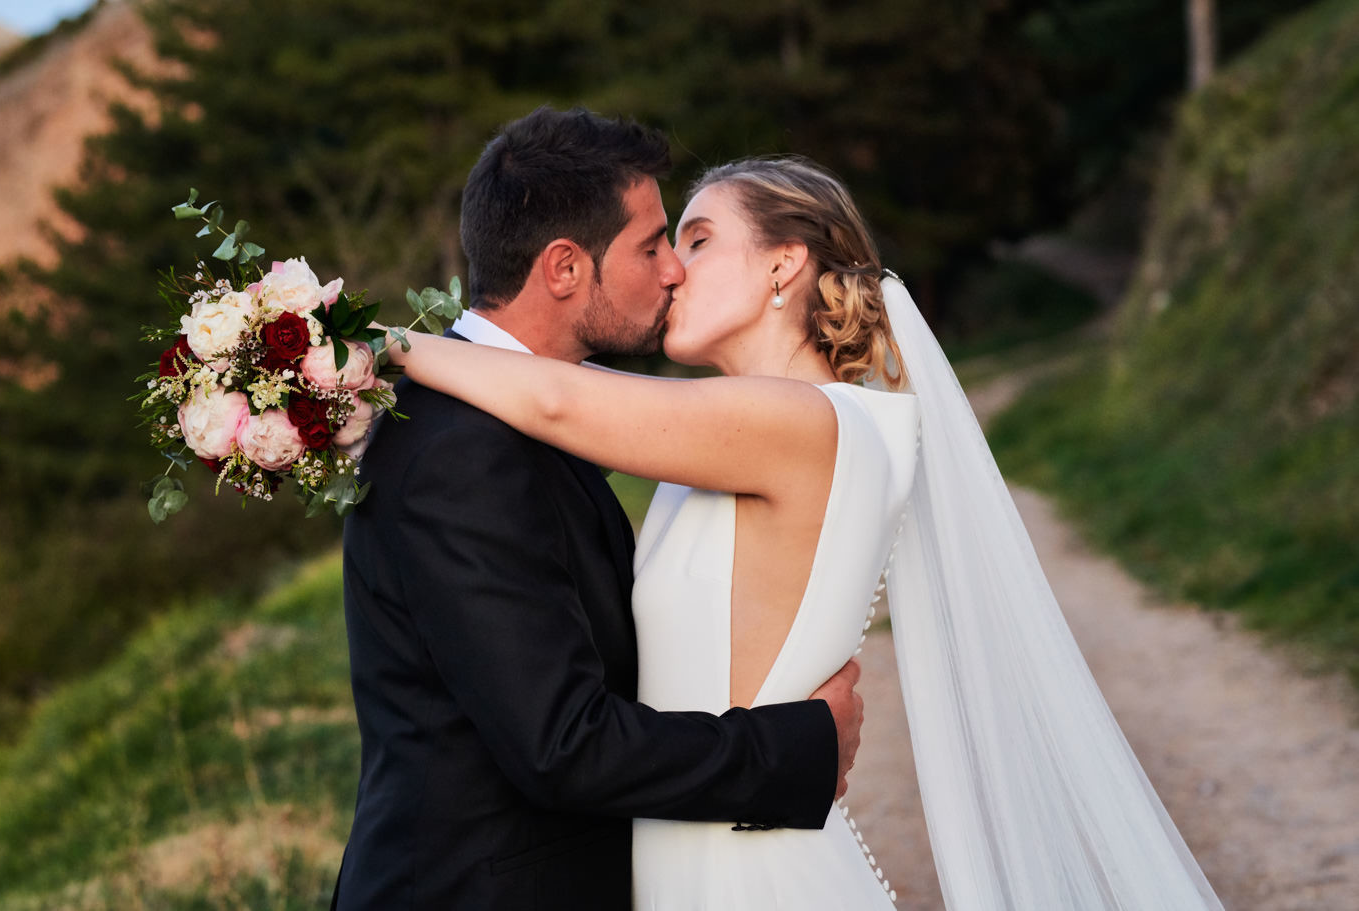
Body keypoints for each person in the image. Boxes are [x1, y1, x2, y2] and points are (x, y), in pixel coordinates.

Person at [385, 153, 1228, 910]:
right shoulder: (753, 430)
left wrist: (364, 348)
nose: (673, 270)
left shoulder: (795, 421)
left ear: (785, 263)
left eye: (701, 238)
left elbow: (555, 398)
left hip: (745, 872)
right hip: (709, 843)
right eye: (667, 244)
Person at [331, 107, 865, 911]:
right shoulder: (459, 450)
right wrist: (794, 751)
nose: (673, 270)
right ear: (564, 268)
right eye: (652, 246)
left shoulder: (517, 419)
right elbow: (562, 745)